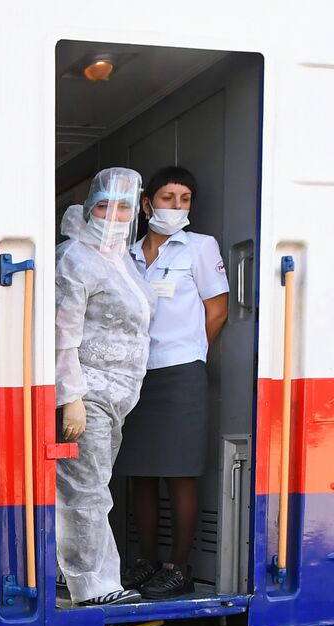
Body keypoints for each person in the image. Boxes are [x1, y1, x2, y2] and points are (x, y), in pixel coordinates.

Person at [118, 166, 229, 599]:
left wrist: (191, 353)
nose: (176, 207)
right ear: (147, 204)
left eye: (184, 199)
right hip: (134, 373)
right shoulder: (125, 255)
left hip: (181, 370)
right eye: (168, 198)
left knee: (180, 472)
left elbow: (216, 311)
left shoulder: (199, 248)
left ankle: (177, 568)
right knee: (139, 473)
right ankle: (146, 563)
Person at [54, 167, 154, 607]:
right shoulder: (76, 257)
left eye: (124, 208)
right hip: (88, 395)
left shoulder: (123, 259)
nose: (113, 215)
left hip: (117, 397)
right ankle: (93, 584)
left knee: (93, 483)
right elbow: (62, 333)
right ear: (90, 206)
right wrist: (70, 397)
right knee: (87, 487)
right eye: (104, 206)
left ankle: (71, 573)